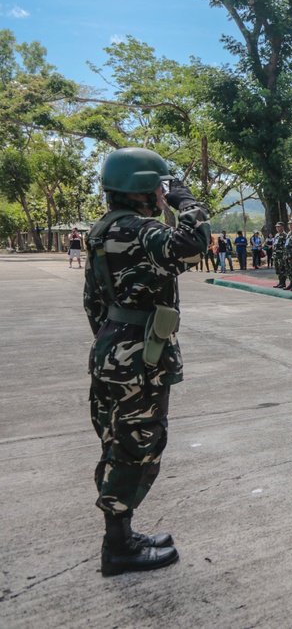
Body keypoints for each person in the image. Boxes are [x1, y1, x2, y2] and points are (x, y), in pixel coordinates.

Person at [83, 147, 210, 576]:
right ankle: (118, 547)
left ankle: (122, 534)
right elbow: (194, 246)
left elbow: (93, 303)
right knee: (137, 446)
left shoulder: (103, 230)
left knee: (119, 442)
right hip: (138, 359)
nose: (162, 192)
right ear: (140, 188)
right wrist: (187, 202)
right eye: (159, 185)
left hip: (114, 351)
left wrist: (111, 343)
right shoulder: (140, 231)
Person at [272, 223, 287, 288]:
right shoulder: (277, 235)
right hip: (276, 255)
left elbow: (285, 246)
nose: (278, 228)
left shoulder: (285, 235)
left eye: (279, 227)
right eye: (277, 227)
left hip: (281, 255)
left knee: (282, 269)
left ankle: (283, 283)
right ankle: (280, 282)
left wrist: (284, 255)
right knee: (277, 268)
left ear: (282, 227)